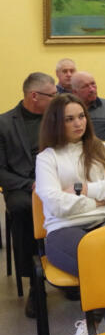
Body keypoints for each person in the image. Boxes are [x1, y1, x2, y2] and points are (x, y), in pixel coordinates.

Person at [35, 93, 105, 335]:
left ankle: (95, 329)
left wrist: (81, 190)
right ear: (56, 123)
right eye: (69, 119)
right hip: (63, 229)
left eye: (81, 117)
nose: (78, 123)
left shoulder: (104, 149)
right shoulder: (47, 158)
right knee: (104, 265)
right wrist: (99, 200)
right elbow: (56, 204)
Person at [0, 72, 56, 318]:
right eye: (52, 95)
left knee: (76, 202)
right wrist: (29, 184)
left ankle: (69, 269)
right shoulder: (4, 123)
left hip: (55, 180)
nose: (56, 99)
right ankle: (36, 283)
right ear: (34, 96)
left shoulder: (56, 119)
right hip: (22, 186)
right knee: (24, 208)